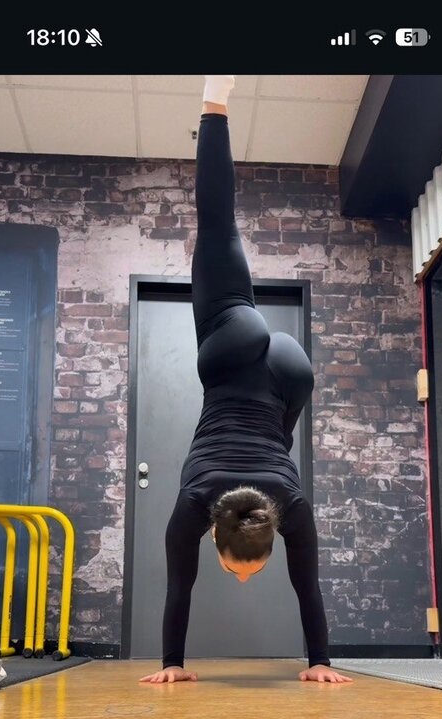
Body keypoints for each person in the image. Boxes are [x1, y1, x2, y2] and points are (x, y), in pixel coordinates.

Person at [140, 76, 353, 687]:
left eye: (237, 570)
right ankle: (215, 103)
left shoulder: (292, 506)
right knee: (218, 226)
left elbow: (308, 586)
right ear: (218, 530)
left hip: (290, 372)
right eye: (244, 570)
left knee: (279, 437)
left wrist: (321, 664)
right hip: (230, 351)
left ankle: (216, 106)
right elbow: (180, 586)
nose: (239, 577)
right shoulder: (192, 504)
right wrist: (170, 666)